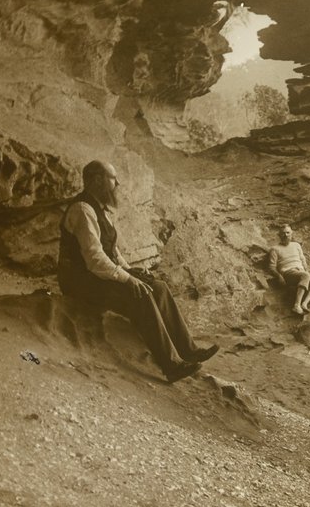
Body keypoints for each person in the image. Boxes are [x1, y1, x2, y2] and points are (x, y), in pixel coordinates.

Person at [57, 160, 218, 382]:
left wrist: (129, 271)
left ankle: (188, 351)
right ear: (97, 180)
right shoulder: (83, 210)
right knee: (139, 293)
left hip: (95, 275)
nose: (117, 184)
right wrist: (128, 279)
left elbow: (112, 251)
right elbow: (95, 260)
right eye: (113, 178)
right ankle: (171, 366)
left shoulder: (99, 209)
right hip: (80, 281)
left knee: (158, 287)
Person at [267, 223, 310, 315]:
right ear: (279, 235)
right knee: (305, 275)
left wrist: (306, 271)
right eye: (283, 233)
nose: (286, 235)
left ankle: (304, 303)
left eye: (288, 233)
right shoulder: (274, 249)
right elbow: (272, 266)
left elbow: (302, 259)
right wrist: (279, 276)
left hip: (300, 272)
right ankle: (296, 305)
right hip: (288, 273)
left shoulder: (296, 245)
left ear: (291, 233)